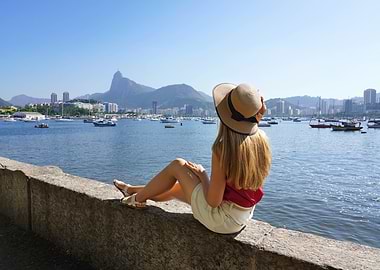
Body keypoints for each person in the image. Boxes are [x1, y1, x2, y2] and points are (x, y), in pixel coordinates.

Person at [114, 83, 272, 234]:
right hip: (242, 216)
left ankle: (136, 200)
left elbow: (213, 202)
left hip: (223, 221)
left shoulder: (223, 149)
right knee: (176, 189)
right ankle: (131, 189)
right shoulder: (261, 140)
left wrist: (203, 175)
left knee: (178, 165)